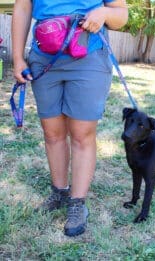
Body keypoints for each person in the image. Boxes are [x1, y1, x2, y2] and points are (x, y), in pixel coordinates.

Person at [12, 0, 128, 237]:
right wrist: (18, 58)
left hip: (89, 54)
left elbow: (121, 15)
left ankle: (77, 203)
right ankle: (59, 192)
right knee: (52, 133)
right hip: (44, 56)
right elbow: (22, 7)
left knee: (82, 134)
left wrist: (104, 12)